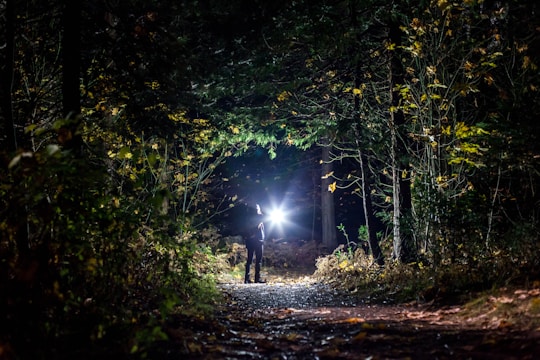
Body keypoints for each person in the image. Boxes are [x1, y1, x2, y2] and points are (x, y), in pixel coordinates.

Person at [244, 204, 266, 283]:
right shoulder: (258, 217)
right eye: (258, 208)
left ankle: (247, 278)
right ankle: (257, 278)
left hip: (251, 241)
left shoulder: (247, 218)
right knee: (258, 260)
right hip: (258, 241)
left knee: (249, 259)